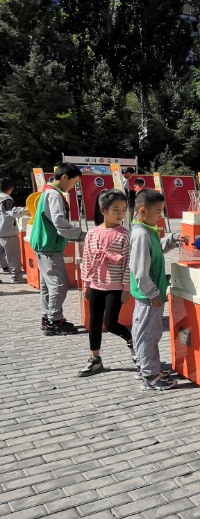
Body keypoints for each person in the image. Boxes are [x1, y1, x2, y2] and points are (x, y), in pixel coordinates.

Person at [130, 189, 186, 391]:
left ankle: (147, 368)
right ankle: (150, 376)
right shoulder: (141, 235)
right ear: (143, 211)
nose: (160, 216)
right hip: (149, 297)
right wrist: (153, 293)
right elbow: (140, 270)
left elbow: (157, 249)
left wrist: (172, 239)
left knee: (144, 333)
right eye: (158, 212)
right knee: (149, 335)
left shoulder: (146, 231)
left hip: (148, 296)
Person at [78, 190, 134, 377]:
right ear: (103, 210)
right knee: (94, 322)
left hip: (115, 286)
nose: (120, 214)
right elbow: (86, 259)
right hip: (96, 284)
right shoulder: (92, 234)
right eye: (116, 209)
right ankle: (95, 358)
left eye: (123, 210)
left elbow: (128, 263)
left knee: (110, 323)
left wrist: (126, 288)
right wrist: (86, 284)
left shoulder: (124, 235)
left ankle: (131, 341)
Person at [29, 162, 86, 335]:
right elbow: (59, 223)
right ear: (64, 177)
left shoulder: (47, 192)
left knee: (48, 285)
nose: (73, 187)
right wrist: (82, 235)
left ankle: (49, 317)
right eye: (73, 182)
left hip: (44, 245)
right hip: (49, 247)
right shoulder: (54, 195)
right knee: (59, 284)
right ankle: (54, 321)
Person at [0, 178, 25, 283]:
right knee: (13, 255)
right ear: (11, 188)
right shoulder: (6, 199)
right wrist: (26, 210)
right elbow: (13, 212)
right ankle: (16, 276)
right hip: (8, 231)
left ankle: (6, 268)